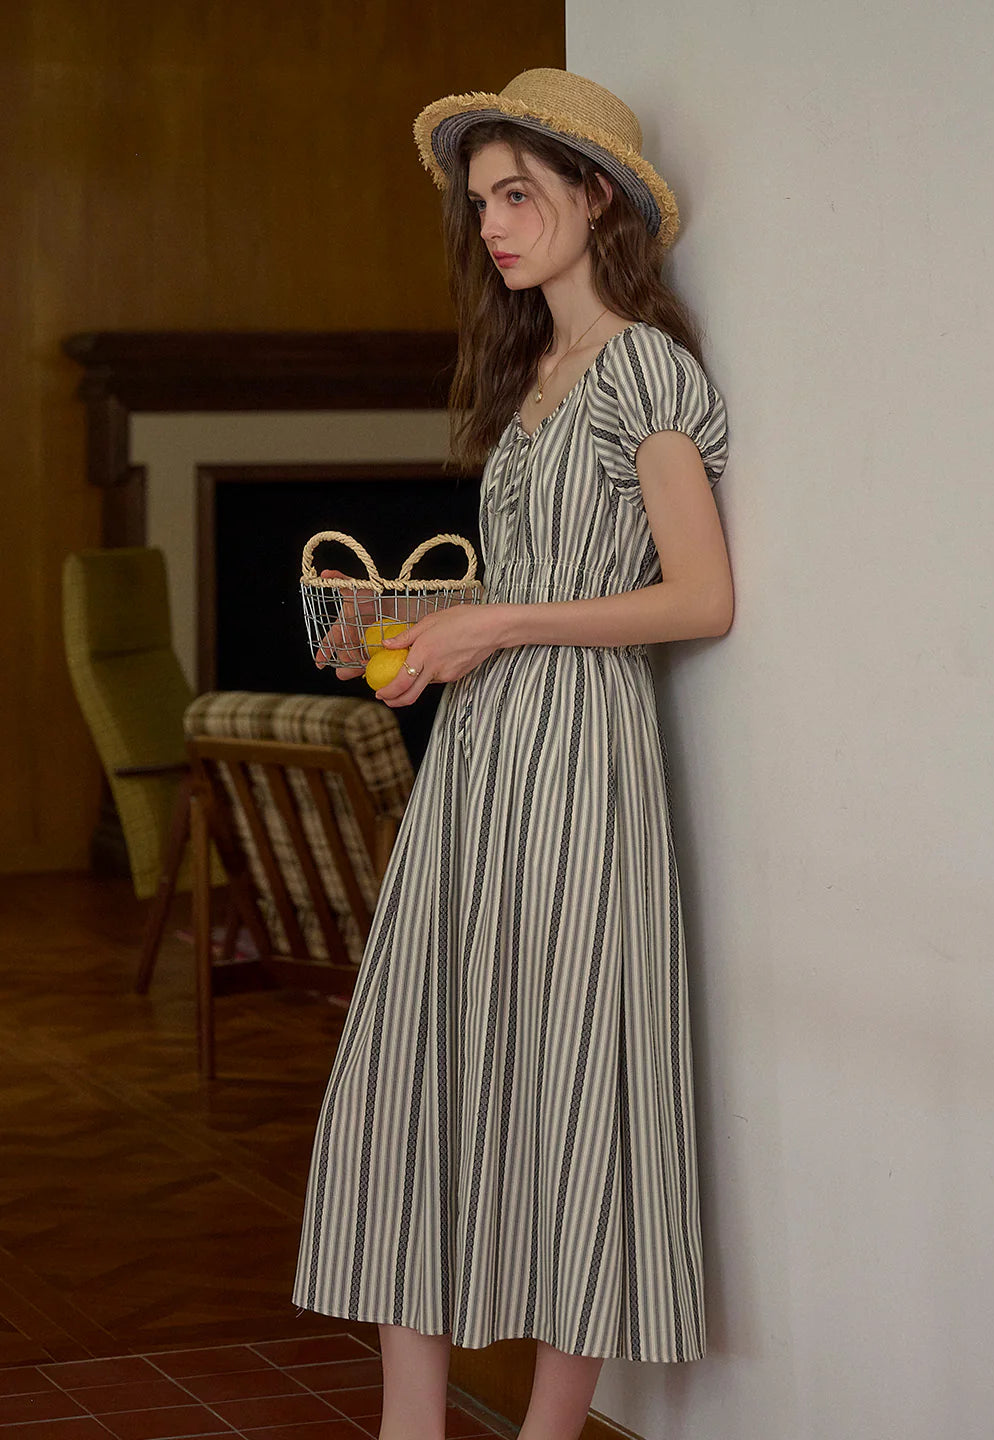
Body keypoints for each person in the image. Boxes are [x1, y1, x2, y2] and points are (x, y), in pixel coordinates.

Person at [294, 68, 733, 1440]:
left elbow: (699, 597)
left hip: (583, 770)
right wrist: (423, 629)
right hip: (480, 765)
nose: (490, 223)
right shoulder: (532, 374)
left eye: (516, 195)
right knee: (409, 1077)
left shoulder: (645, 368)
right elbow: (533, 580)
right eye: (479, 201)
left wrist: (502, 621)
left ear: (595, 196)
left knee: (572, 1081)